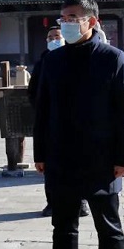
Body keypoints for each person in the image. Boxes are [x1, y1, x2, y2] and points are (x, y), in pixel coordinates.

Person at [34, 0, 124, 249]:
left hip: (101, 159)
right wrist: (40, 153)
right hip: (61, 157)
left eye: (72, 18)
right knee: (63, 227)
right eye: (63, 18)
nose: (66, 23)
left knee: (109, 229)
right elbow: (42, 110)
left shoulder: (113, 59)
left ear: (91, 21)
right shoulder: (52, 60)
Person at [27, 26, 90, 218]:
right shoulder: (43, 62)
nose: (54, 39)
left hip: (77, 123)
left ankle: (81, 202)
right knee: (51, 167)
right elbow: (33, 91)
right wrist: (43, 109)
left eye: (57, 36)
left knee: (79, 164)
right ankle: (52, 203)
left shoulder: (76, 59)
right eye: (50, 37)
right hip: (51, 123)